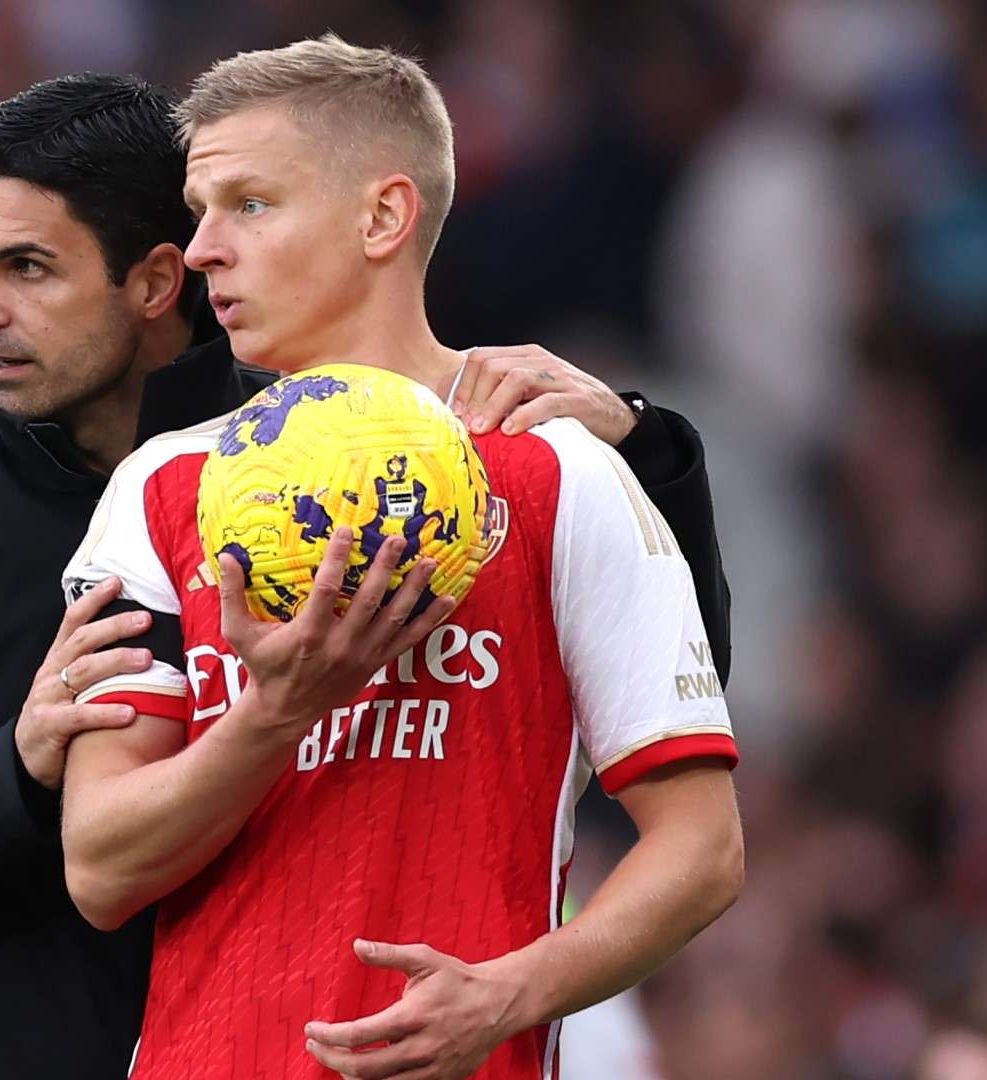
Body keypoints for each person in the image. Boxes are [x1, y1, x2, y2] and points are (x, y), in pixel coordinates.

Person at [0, 73, 733, 1080]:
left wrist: (646, 457)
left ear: (157, 283)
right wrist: (18, 765)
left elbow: (641, 696)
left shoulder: (368, 457)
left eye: (26, 267)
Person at [59, 37, 743, 1080]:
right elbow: (99, 865)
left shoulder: (560, 472)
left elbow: (703, 852)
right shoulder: (158, 488)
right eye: (199, 211)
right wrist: (275, 712)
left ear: (383, 216)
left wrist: (509, 995)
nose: (200, 250)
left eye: (248, 204)